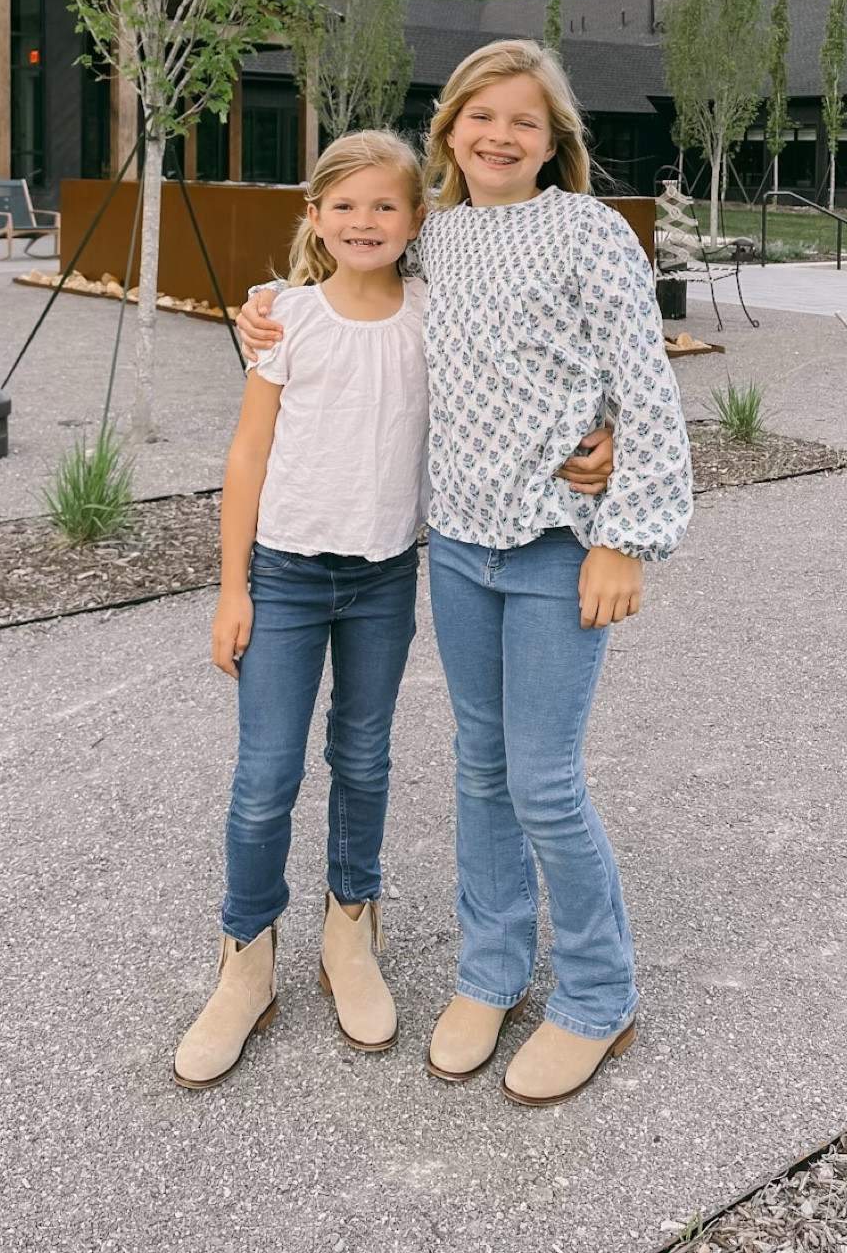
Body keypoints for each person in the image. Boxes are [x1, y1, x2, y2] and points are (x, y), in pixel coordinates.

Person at [238, 41, 693, 1108]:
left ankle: (596, 991)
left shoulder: (589, 230)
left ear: (554, 140)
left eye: (523, 120)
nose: (499, 133)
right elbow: (348, 274)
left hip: (556, 544)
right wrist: (268, 302)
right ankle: (490, 973)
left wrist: (627, 525)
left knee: (543, 776)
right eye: (479, 114)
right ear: (448, 130)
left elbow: (644, 377)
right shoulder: (434, 241)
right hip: (458, 546)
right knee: (480, 767)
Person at [173, 126, 613, 1089]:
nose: (364, 221)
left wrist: (606, 435)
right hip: (284, 579)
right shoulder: (283, 317)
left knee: (363, 757)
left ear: (418, 219)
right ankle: (245, 961)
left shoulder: (434, 309)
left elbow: (536, 361)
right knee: (264, 776)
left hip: (382, 580)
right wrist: (231, 588)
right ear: (314, 218)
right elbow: (247, 455)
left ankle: (349, 933)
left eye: (386, 205)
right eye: (344, 206)